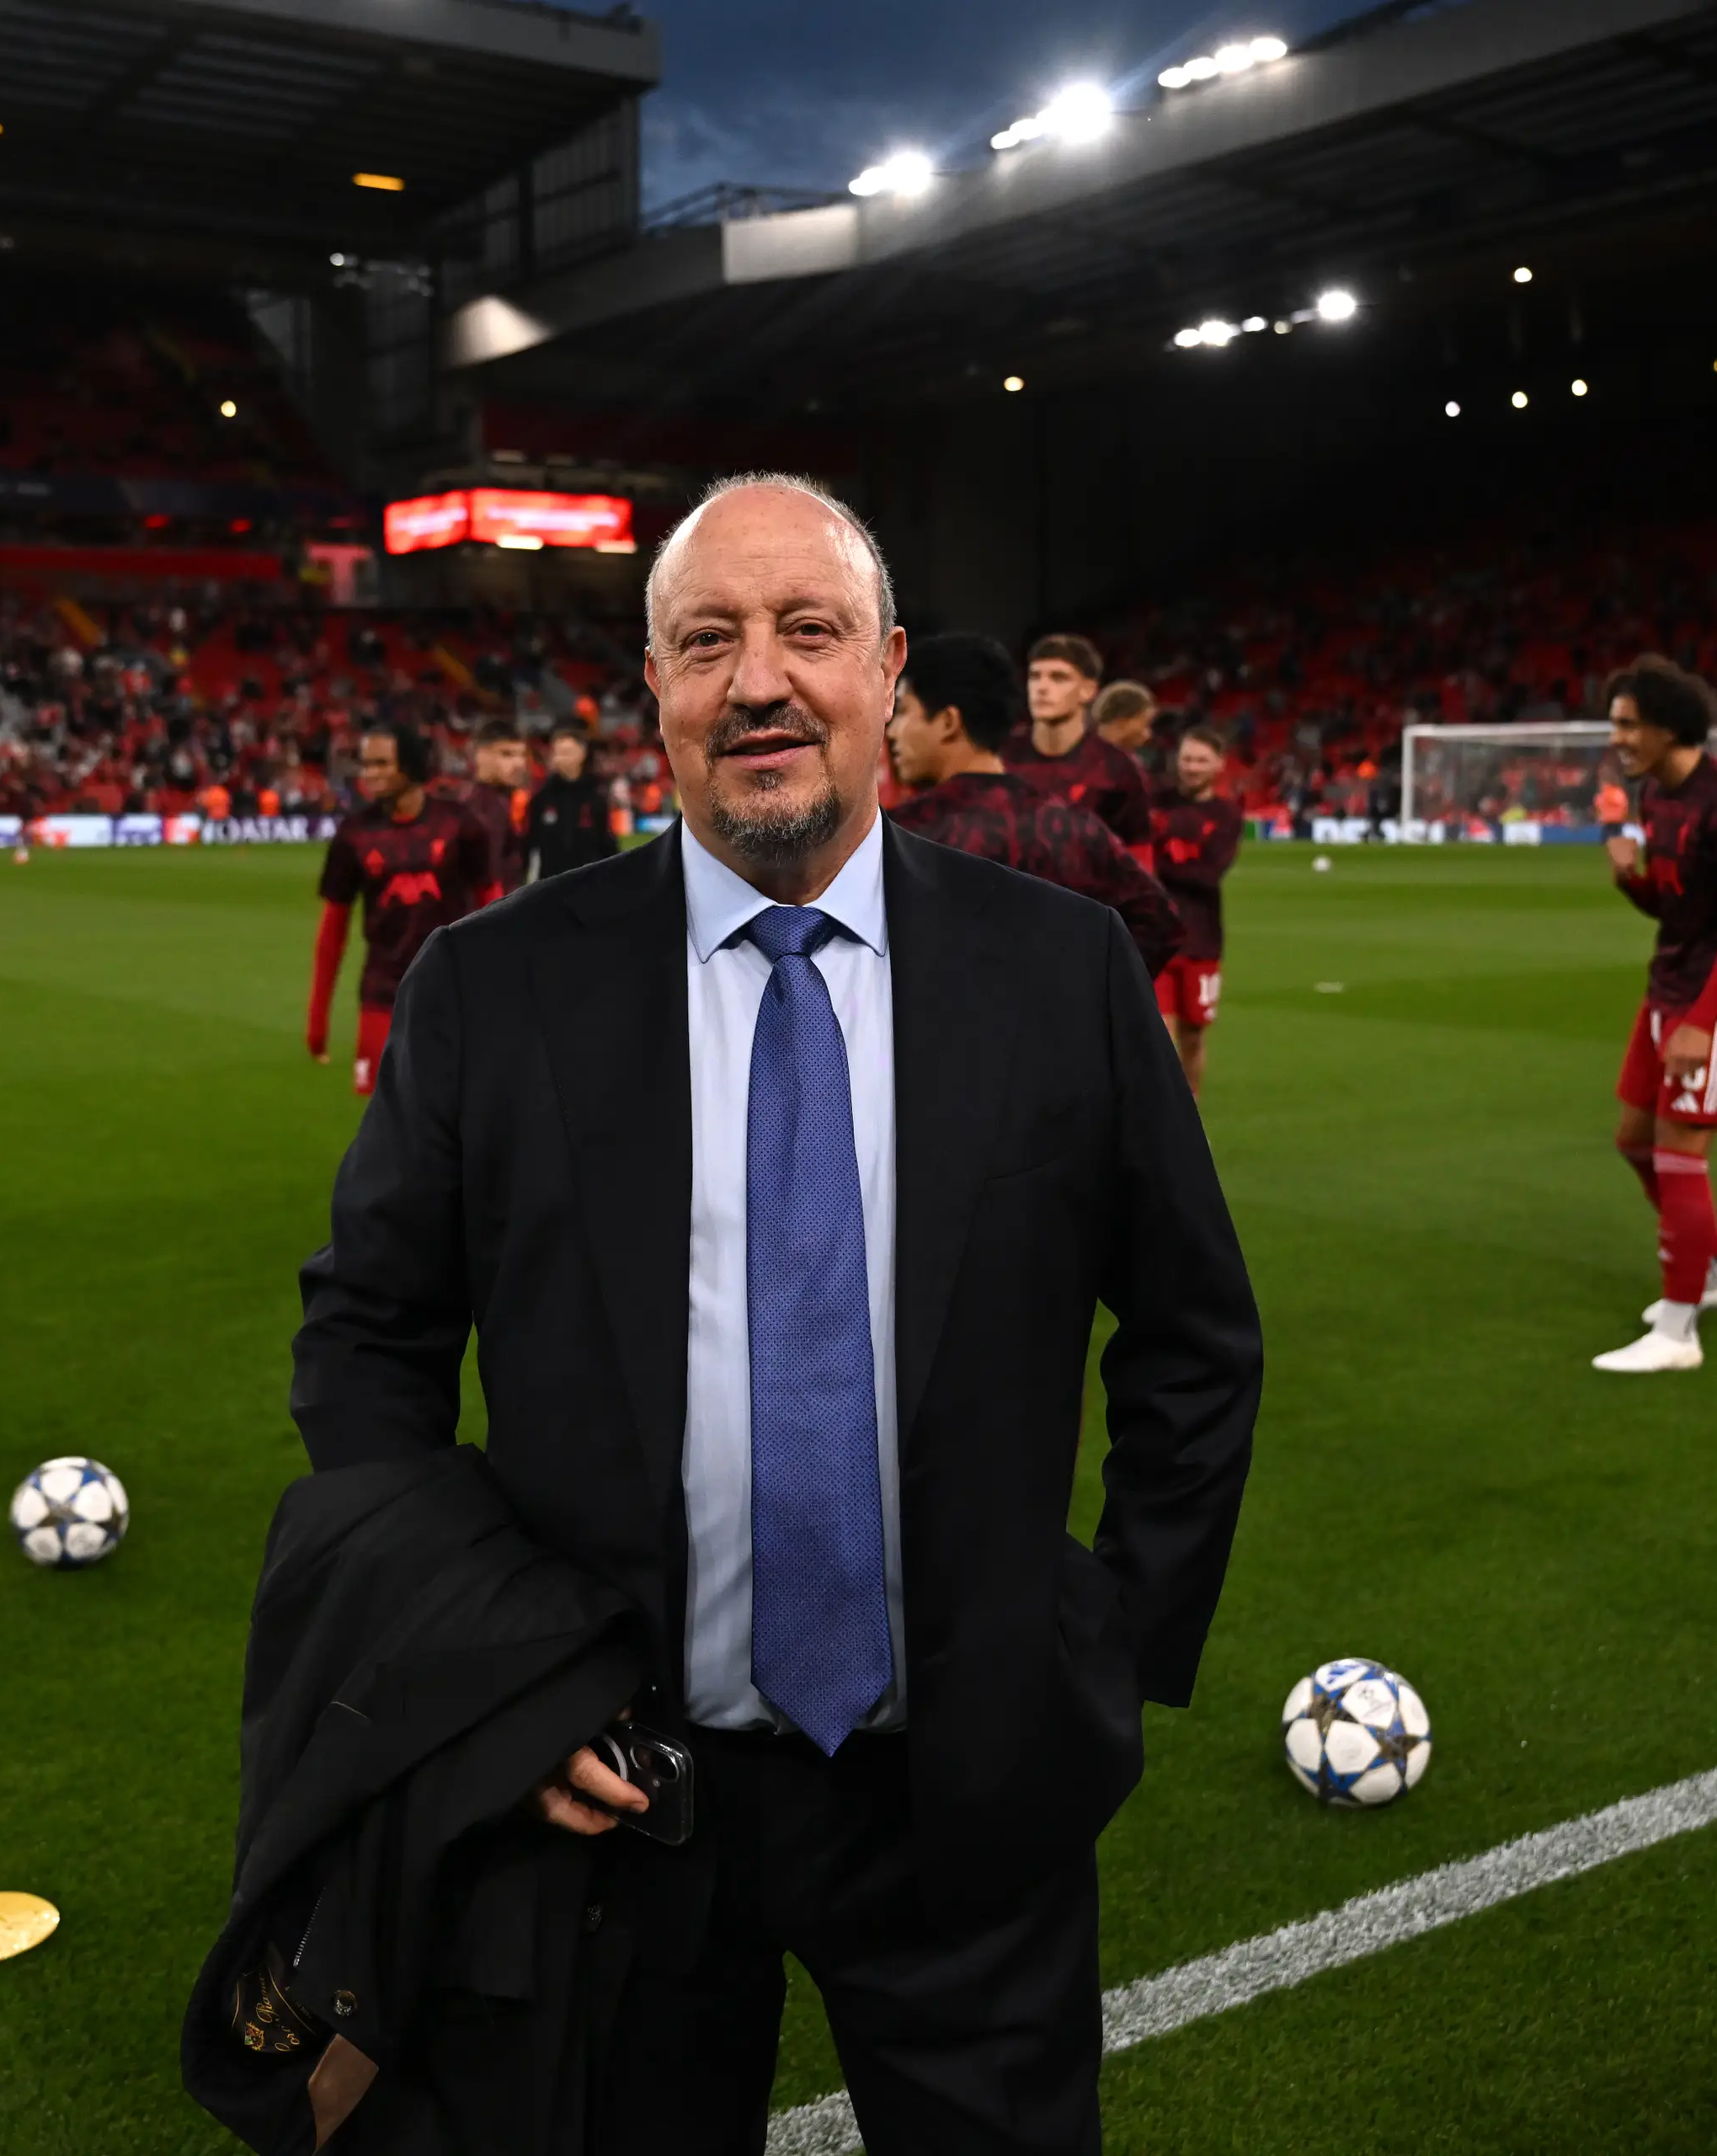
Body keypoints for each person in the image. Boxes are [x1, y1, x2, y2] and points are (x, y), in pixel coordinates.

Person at [291, 473, 1260, 2152]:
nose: (760, 681)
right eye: (707, 641)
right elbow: (367, 1343)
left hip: (968, 1788)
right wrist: (493, 1682)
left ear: (887, 672)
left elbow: (1194, 1332)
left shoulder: (1059, 971)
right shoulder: (495, 988)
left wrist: (1102, 1642)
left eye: (808, 631)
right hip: (617, 1796)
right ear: (651, 688)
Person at [1596, 654, 1717, 1375]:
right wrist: (1628, 881)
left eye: (1628, 725)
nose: (1617, 739)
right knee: (1634, 1142)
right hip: (1667, 990)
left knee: (1679, 1154)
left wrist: (1702, 1021)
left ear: (1669, 728)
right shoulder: (1654, 797)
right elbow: (1674, 909)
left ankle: (1678, 1332)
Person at [884, 630, 1183, 976]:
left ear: (949, 722)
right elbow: (1159, 921)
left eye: (904, 711)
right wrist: (1085, 999)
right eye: (1036, 676)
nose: (892, 730)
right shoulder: (1071, 825)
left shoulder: (901, 834)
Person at [308, 719, 498, 1096]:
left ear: (409, 765)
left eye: (381, 763)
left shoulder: (460, 825)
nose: (370, 774)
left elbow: (494, 909)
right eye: (366, 764)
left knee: (453, 1107)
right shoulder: (354, 835)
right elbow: (332, 930)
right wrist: (318, 1019)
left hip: (451, 990)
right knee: (382, 1110)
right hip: (383, 992)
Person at [1151, 725, 1244, 1098]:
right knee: (1157, 1035)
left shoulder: (1226, 815)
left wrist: (1159, 862)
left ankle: (1190, 1114)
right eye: (1187, 758)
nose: (1191, 767)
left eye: (1201, 760)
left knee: (1192, 1036)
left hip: (1201, 940)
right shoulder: (1154, 801)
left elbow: (1209, 873)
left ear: (1219, 765)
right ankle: (1157, 1116)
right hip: (1154, 936)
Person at [1002, 633, 1153, 851]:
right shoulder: (999, 756)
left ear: (1088, 691)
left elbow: (1139, 853)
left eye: (1058, 678)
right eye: (1035, 677)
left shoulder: (1118, 768)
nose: (1041, 687)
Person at [440, 717, 527, 888]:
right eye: (506, 754)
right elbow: (489, 880)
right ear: (480, 755)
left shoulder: (506, 801)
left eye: (522, 755)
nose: (519, 763)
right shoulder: (479, 809)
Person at [524, 724, 618, 881]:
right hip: (550, 884)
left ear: (582, 754)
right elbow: (528, 845)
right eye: (557, 753)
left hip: (587, 883)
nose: (560, 758)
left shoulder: (596, 798)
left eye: (566, 752)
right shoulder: (541, 798)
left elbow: (607, 843)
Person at [1093, 678, 1164, 786]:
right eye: (1145, 723)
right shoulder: (1081, 764)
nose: (1148, 735)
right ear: (1123, 721)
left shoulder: (1133, 766)